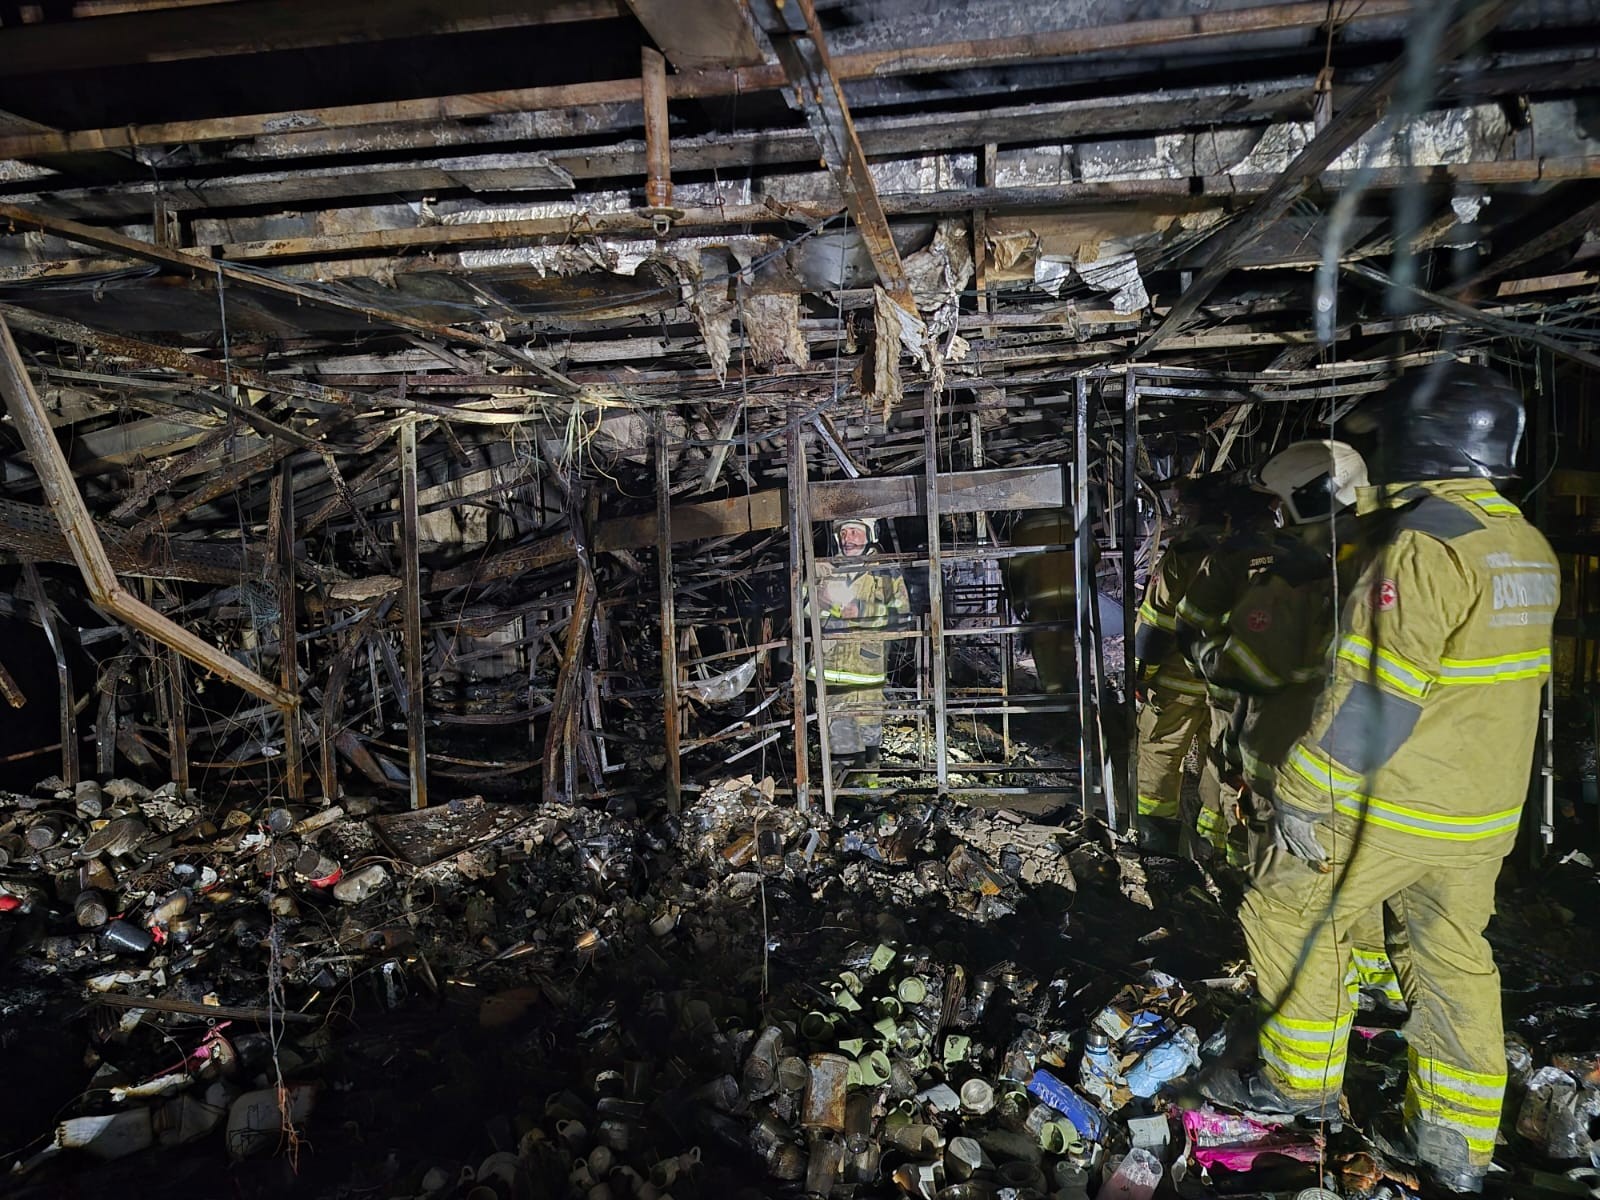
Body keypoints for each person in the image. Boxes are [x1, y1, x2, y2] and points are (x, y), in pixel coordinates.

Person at [1203, 363, 1558, 1195]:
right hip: (1485, 810)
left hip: (1398, 802)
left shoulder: (1424, 544)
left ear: (1417, 440)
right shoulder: (1523, 543)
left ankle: (1300, 1080)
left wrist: (1301, 790)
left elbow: (1375, 696)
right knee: (1450, 954)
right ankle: (1454, 1141)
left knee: (1285, 905)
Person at [1188, 440, 1404, 1007]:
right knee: (1361, 889)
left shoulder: (1302, 567)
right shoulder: (1393, 553)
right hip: (1374, 766)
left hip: (1296, 763)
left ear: (1308, 498)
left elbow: (1254, 664)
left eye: (1285, 503)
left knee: (1291, 906)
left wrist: (1211, 651)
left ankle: (1312, 1037)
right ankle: (1378, 993)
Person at [1175, 486, 1282, 864]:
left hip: (1233, 687)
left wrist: (1206, 669)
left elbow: (1188, 623)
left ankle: (1236, 862)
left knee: (1231, 770)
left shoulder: (1227, 559)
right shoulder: (1301, 555)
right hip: (1288, 693)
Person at [1131, 476, 1233, 850]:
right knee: (1220, 759)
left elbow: (1157, 623)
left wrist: (1142, 677)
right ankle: (1218, 845)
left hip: (1179, 679)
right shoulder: (1250, 553)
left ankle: (1156, 840)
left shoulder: (1186, 553)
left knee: (1161, 751)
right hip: (1229, 683)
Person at [806, 517, 912, 789]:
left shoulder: (884, 572)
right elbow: (801, 610)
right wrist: (820, 602)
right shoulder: (823, 569)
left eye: (855, 531)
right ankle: (841, 798)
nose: (848, 537)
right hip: (830, 670)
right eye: (844, 532)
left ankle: (868, 792)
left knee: (867, 732)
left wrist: (862, 611)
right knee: (837, 737)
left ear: (870, 535)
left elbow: (901, 615)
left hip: (866, 672)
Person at [1002, 508, 1077, 695]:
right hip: (1071, 596)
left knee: (1044, 645)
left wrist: (1016, 600)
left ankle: (1053, 692)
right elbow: (1094, 554)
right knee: (1067, 641)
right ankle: (1071, 688)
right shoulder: (1072, 521)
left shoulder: (1024, 529)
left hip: (1040, 598)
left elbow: (1012, 568)